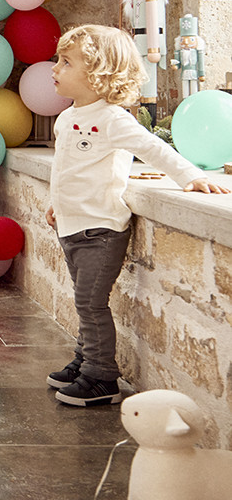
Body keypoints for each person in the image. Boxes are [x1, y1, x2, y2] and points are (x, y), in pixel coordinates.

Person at [46, 24, 228, 407]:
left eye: (66, 62)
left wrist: (191, 176)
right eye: (58, 60)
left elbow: (153, 149)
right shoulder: (65, 119)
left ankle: (101, 376)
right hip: (72, 225)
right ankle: (85, 360)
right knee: (83, 299)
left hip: (100, 230)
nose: (55, 68)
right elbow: (64, 169)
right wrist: (54, 203)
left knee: (91, 303)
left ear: (98, 74)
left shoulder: (113, 119)